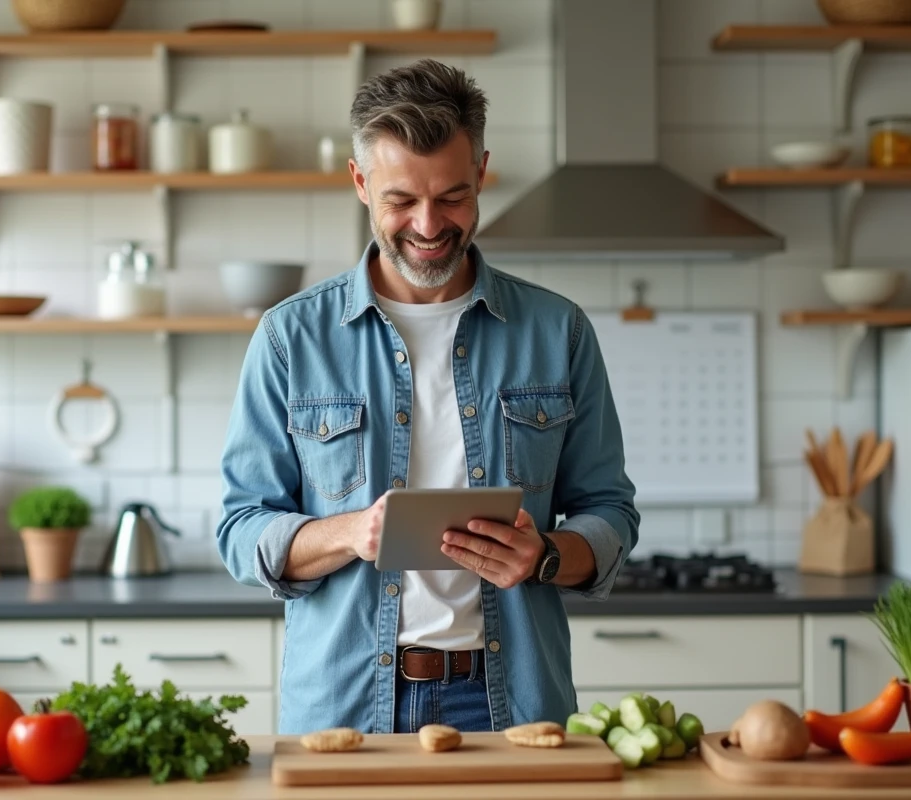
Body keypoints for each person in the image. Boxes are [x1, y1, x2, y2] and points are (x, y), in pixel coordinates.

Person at [217, 58, 639, 736]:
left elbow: (610, 512)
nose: (428, 223)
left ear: (482, 173)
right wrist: (352, 534)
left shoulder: (557, 332)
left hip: (512, 705)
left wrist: (548, 555)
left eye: (452, 196)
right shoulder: (290, 338)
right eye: (400, 200)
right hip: (346, 709)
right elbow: (241, 530)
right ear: (360, 182)